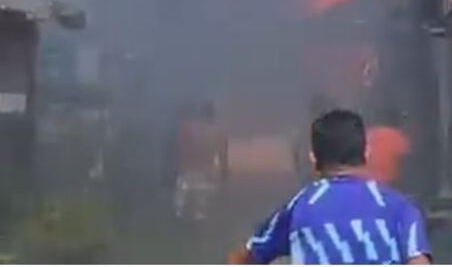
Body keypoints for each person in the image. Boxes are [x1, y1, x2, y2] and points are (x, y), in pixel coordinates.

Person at [232, 109, 430, 265]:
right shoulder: (402, 208)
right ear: (366, 153)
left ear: (313, 158)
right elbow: (419, 262)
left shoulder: (299, 206)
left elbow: (247, 257)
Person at [173, 100, 227, 222]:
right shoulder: (215, 130)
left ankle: (184, 218)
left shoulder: (190, 127)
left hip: (194, 167)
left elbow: (181, 146)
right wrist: (223, 168)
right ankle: (193, 219)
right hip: (202, 168)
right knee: (199, 199)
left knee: (186, 196)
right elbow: (221, 151)